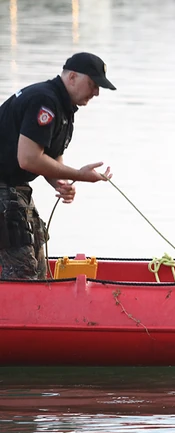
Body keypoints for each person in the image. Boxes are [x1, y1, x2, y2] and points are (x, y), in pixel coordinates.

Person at [0, 52, 115, 279]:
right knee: (23, 272)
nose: (96, 92)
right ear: (72, 77)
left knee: (39, 265)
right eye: (92, 84)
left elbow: (51, 159)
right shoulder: (44, 101)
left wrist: (60, 183)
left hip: (15, 185)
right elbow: (28, 158)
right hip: (5, 184)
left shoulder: (64, 108)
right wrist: (79, 175)